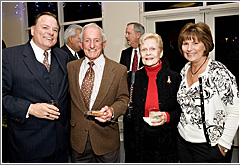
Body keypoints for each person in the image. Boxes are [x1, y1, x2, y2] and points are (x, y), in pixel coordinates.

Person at [2, 12, 70, 163]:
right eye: (45, 27)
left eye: (55, 30)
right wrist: (30, 108)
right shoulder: (9, 56)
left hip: (60, 145)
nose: (51, 33)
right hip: (27, 145)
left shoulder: (62, 56)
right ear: (32, 30)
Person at [177, 22, 239, 163]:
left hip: (210, 147)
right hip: (183, 142)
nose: (189, 48)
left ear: (205, 45)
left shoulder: (219, 72)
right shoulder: (185, 69)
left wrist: (224, 145)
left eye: (195, 43)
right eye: (185, 43)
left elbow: (235, 110)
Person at [67, 23, 129, 163]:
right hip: (78, 141)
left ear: (104, 43)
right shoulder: (71, 67)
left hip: (106, 140)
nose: (92, 45)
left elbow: (123, 99)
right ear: (81, 44)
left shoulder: (119, 70)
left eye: (96, 40)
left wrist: (112, 111)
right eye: (87, 40)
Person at [123, 32, 181, 163]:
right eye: (144, 49)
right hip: (138, 143)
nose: (148, 53)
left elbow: (181, 111)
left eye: (153, 49)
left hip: (166, 142)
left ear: (160, 53)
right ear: (140, 53)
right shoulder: (132, 78)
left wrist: (167, 116)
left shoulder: (175, 78)